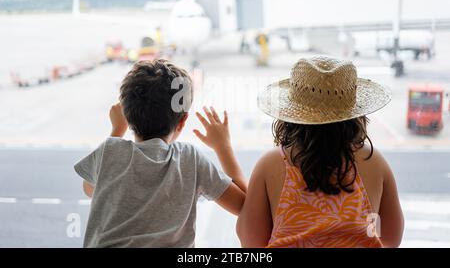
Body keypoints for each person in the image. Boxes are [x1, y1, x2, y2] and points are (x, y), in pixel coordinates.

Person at [74, 59, 247, 247]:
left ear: (126, 115)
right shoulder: (190, 159)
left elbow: (90, 188)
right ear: (182, 122)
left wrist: (117, 131)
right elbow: (244, 206)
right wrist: (223, 147)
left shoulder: (111, 151)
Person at [237, 56, 404, 248]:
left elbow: (251, 242)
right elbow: (391, 239)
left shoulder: (271, 164)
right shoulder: (372, 161)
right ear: (355, 113)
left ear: (291, 114)